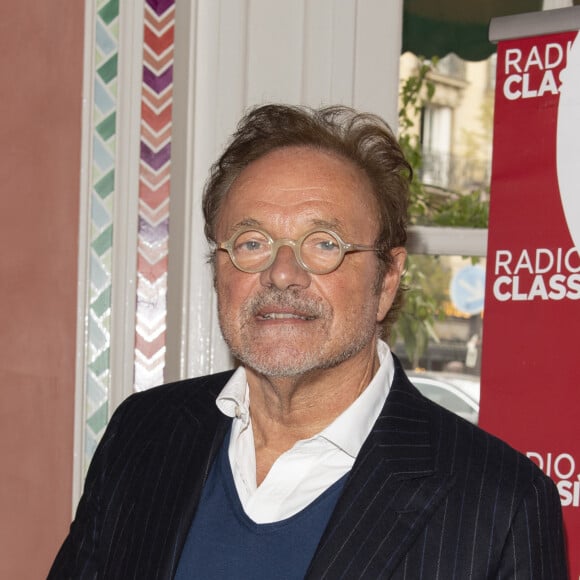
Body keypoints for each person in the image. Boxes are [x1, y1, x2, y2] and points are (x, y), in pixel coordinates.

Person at [49, 104, 568, 579]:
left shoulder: (501, 506)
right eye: (252, 242)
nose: (281, 273)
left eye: (324, 244)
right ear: (218, 270)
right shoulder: (142, 435)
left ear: (387, 279)